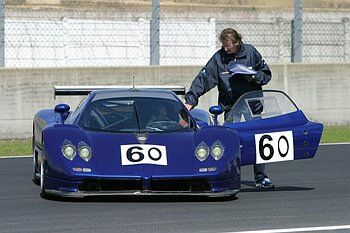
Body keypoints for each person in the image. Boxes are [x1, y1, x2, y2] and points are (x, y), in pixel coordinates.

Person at [184, 28, 274, 189]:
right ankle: (229, 176)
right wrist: (190, 100)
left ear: (237, 42)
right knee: (230, 141)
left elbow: (266, 74)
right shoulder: (219, 58)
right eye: (224, 46)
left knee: (257, 139)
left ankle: (261, 178)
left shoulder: (251, 52)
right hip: (230, 106)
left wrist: (254, 76)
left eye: (228, 46)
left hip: (252, 105)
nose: (225, 49)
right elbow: (203, 79)